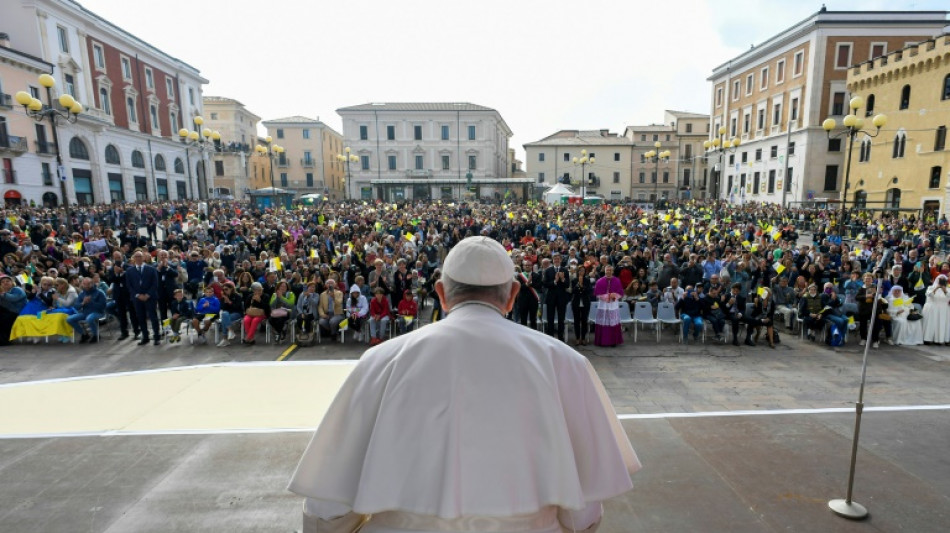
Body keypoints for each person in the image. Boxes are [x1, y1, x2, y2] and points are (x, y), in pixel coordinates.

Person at [288, 236, 639, 533]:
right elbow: (584, 510)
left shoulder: (382, 361)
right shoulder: (564, 362)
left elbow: (327, 507)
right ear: (513, 294)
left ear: (440, 293)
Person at [126, 250, 162, 346]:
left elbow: (155, 284)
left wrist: (147, 295)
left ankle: (156, 337)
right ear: (134, 258)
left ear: (143, 258)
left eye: (140, 256)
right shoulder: (129, 271)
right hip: (137, 298)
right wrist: (138, 295)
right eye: (136, 257)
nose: (138, 258)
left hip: (150, 297)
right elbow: (129, 286)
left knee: (153, 317)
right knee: (141, 318)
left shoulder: (151, 269)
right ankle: (145, 337)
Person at [66, 277, 107, 343]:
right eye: (84, 284)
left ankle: (96, 335)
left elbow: (103, 306)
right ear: (82, 284)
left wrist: (91, 301)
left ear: (92, 283)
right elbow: (76, 307)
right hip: (85, 312)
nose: (86, 286)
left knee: (89, 318)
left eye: (88, 284)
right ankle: (84, 334)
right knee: (69, 319)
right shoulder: (82, 294)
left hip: (98, 312)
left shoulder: (99, 292)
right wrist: (83, 303)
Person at [593, 265, 624, 347]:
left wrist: (614, 296)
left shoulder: (617, 280)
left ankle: (613, 341)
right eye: (607, 270)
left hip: (613, 305)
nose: (608, 272)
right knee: (603, 321)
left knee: (612, 322)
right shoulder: (600, 281)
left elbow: (620, 292)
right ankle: (602, 341)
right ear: (605, 271)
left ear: (612, 271)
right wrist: (606, 297)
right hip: (603, 304)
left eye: (610, 270)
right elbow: (597, 294)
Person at [543, 253, 570, 342]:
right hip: (551, 298)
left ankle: (560, 338)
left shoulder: (565, 270)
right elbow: (545, 284)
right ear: (553, 260)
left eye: (558, 259)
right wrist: (555, 281)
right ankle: (550, 337)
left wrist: (562, 280)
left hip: (562, 298)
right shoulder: (548, 270)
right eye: (555, 259)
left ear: (561, 260)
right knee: (550, 318)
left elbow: (567, 285)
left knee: (561, 319)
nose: (556, 260)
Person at [922, 275, 950, 345]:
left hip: (944, 309)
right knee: (931, 323)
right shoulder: (930, 287)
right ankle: (928, 339)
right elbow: (929, 295)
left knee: (942, 324)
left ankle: (940, 340)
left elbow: (948, 297)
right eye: (940, 280)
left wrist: (945, 290)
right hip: (933, 308)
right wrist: (936, 288)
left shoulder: (948, 289)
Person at [0, 274, 28, 346]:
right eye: (3, 282)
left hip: (18, 312)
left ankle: (4, 340)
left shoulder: (17, 290)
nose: (5, 283)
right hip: (7, 311)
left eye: (7, 281)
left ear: (12, 283)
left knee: (4, 320)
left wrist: (3, 294)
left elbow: (13, 299)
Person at [569, 263, 593, 345]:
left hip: (585, 303)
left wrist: (582, 285)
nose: (581, 272)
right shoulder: (574, 280)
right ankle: (577, 338)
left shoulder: (587, 280)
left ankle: (583, 338)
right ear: (577, 271)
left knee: (584, 321)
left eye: (583, 270)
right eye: (580, 270)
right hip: (576, 302)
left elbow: (589, 291)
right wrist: (578, 285)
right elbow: (573, 291)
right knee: (576, 321)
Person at [216, 283, 244, 347]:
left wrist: (229, 302)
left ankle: (225, 339)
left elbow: (237, 307)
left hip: (237, 313)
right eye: (223, 290)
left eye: (226, 289)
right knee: (224, 314)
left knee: (224, 318)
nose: (225, 291)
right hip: (227, 314)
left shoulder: (237, 296)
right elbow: (222, 308)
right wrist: (225, 303)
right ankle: (230, 330)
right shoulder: (223, 298)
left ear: (231, 288)